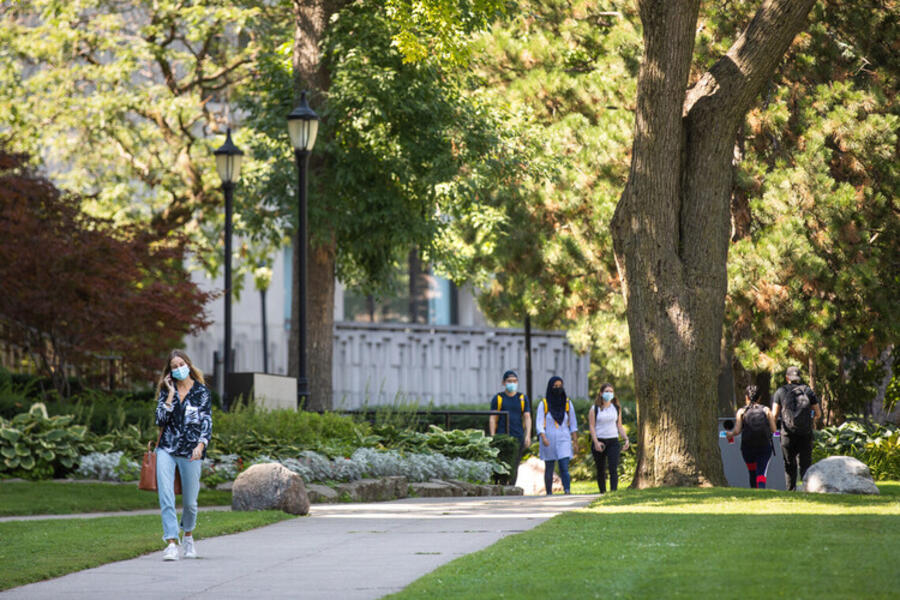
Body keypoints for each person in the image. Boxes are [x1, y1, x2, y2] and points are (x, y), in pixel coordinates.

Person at [155, 349, 212, 561]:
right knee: (166, 496)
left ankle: (188, 535)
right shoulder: (165, 391)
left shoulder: (201, 392)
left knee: (190, 502)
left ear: (188, 364)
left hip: (191, 451)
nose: (178, 369)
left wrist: (201, 444)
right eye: (174, 367)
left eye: (181, 364)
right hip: (166, 449)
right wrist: (170, 393)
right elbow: (160, 420)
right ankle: (171, 542)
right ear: (169, 372)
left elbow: (206, 421)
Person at [772, 366, 821, 491]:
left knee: (789, 464)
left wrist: (775, 428)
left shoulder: (780, 392)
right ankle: (806, 489)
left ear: (787, 377)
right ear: (799, 377)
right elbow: (818, 413)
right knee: (805, 464)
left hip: (787, 434)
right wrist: (808, 420)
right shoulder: (807, 391)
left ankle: (791, 490)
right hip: (805, 433)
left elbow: (774, 415)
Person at [726, 385, 777, 488]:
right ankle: (761, 490)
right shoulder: (766, 410)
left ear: (747, 397)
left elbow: (737, 431)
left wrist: (729, 435)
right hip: (764, 447)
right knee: (761, 471)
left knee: (752, 471)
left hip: (747, 448)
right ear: (759, 398)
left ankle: (753, 490)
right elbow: (774, 430)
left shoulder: (742, 411)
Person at [488, 370, 532, 486]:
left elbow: (527, 417)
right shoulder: (498, 398)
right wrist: (493, 436)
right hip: (503, 437)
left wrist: (527, 435)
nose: (512, 383)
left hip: (518, 436)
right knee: (502, 463)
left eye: (514, 381)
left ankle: (512, 487)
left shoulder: (522, 398)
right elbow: (493, 418)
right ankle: (501, 485)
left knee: (515, 464)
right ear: (504, 383)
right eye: (509, 381)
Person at [535, 376, 578, 494]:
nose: (557, 389)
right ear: (550, 387)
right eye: (555, 386)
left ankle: (567, 490)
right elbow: (539, 423)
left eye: (560, 386)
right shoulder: (544, 404)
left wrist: (575, 442)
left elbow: (573, 424)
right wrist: (543, 437)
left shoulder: (567, 403)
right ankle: (549, 492)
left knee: (564, 466)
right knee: (549, 467)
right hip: (548, 440)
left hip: (564, 439)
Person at [588, 383, 630, 493]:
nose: (609, 394)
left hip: (613, 441)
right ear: (601, 393)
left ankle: (613, 491)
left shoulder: (616, 408)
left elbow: (619, 425)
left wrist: (626, 438)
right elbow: (592, 427)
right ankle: (602, 491)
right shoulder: (595, 409)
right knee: (601, 469)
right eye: (607, 391)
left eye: (611, 391)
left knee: (613, 468)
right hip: (600, 440)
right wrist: (596, 442)